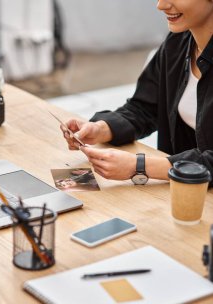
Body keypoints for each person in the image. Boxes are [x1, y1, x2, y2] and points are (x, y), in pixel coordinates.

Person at [60, 0, 213, 187]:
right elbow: (145, 107)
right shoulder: (178, 42)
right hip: (183, 193)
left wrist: (140, 166)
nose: (161, 5)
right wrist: (102, 129)